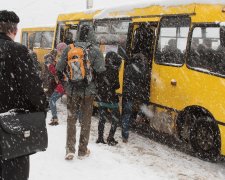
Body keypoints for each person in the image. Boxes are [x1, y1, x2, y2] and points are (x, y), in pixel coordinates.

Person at [0, 10, 46, 180]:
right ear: (14, 30)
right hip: (11, 129)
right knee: (14, 173)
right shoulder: (17, 51)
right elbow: (33, 89)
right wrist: (41, 109)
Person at [56, 24, 105, 160]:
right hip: (88, 93)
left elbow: (59, 69)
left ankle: (70, 150)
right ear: (91, 34)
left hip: (72, 91)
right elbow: (101, 73)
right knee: (86, 121)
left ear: (77, 34)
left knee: (71, 120)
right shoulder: (95, 50)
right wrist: (94, 86)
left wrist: (67, 85)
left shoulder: (68, 48)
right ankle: (82, 150)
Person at [121, 53, 150, 143]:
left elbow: (126, 80)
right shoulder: (145, 69)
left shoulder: (129, 67)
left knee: (127, 114)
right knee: (143, 105)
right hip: (140, 94)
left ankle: (125, 136)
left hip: (129, 94)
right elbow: (146, 82)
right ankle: (140, 115)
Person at [96, 51, 121, 146]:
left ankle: (100, 138)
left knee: (102, 118)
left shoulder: (101, 68)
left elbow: (97, 83)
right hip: (111, 99)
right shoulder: (114, 70)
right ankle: (110, 138)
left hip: (101, 97)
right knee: (115, 118)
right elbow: (117, 85)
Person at [48, 43, 67, 126]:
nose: (58, 52)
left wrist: (50, 66)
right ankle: (81, 121)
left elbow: (57, 72)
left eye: (58, 50)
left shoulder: (62, 59)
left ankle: (55, 118)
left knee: (52, 100)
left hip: (64, 84)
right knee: (75, 103)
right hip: (71, 84)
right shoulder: (70, 57)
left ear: (61, 50)